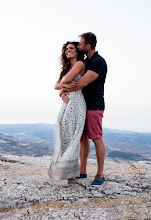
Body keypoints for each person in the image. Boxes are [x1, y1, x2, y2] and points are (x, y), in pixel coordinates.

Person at [59, 32, 107, 186]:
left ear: (88, 46)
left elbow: (81, 83)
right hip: (83, 105)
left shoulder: (98, 62)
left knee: (96, 137)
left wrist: (63, 87)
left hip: (94, 105)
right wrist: (62, 91)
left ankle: (100, 174)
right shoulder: (86, 61)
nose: (78, 47)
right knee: (82, 138)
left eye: (80, 44)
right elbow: (72, 83)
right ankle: (82, 171)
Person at [48, 41, 86, 186]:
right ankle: (66, 172)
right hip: (67, 105)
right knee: (64, 137)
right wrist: (62, 89)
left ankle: (71, 174)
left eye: (71, 48)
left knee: (70, 138)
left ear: (77, 51)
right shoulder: (67, 68)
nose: (68, 50)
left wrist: (62, 86)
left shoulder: (80, 64)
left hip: (76, 104)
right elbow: (56, 85)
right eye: (66, 49)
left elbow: (63, 81)